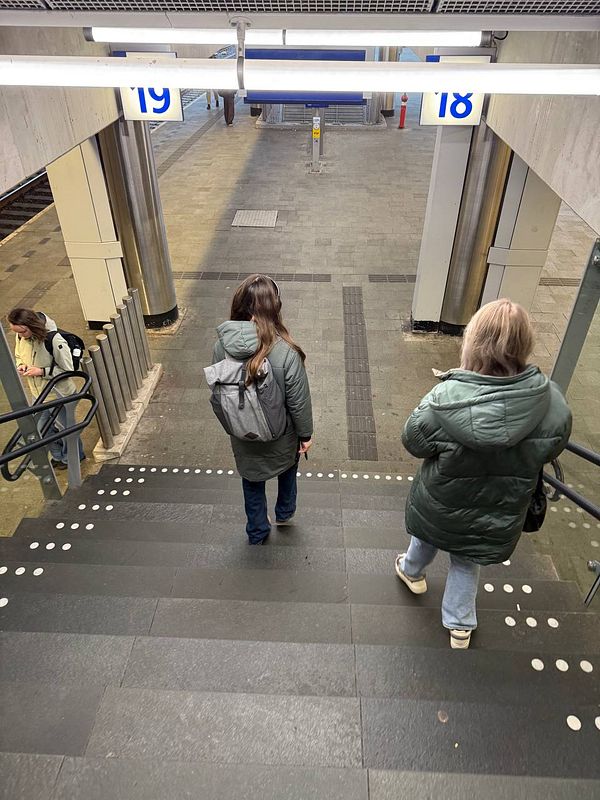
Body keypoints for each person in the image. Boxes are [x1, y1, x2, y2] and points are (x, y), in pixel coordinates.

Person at [395, 299, 572, 649]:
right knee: (467, 559)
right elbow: (550, 448)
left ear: (473, 342)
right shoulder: (552, 404)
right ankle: (460, 625)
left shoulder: (446, 398)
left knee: (427, 536)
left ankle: (412, 572)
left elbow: (412, 440)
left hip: (442, 499)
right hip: (498, 509)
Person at [212, 275, 313, 545]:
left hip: (243, 435)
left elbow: (217, 395)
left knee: (252, 480)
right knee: (288, 468)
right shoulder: (286, 352)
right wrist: (305, 435)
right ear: (275, 307)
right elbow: (298, 400)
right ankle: (284, 511)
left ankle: (257, 530)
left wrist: (235, 425)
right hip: (282, 436)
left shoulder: (221, 347)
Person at [8, 307, 85, 470]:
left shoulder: (54, 340)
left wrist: (41, 371)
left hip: (59, 394)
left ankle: (73, 457)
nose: (20, 336)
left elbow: (69, 368)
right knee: (42, 429)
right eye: (17, 332)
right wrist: (21, 365)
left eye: (22, 332)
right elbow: (18, 355)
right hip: (39, 394)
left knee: (66, 430)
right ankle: (60, 456)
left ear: (32, 326)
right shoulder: (21, 337)